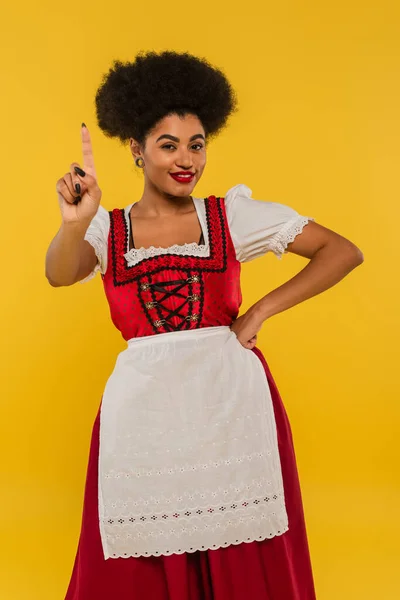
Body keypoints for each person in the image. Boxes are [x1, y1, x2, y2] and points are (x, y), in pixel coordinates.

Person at [46, 50, 364, 600]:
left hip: (229, 406)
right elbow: (59, 273)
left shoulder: (230, 216)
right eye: (168, 145)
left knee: (240, 548)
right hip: (143, 411)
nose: (185, 159)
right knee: (139, 553)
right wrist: (74, 223)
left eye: (197, 144)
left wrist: (260, 310)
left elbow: (342, 251)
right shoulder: (107, 229)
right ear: (136, 150)